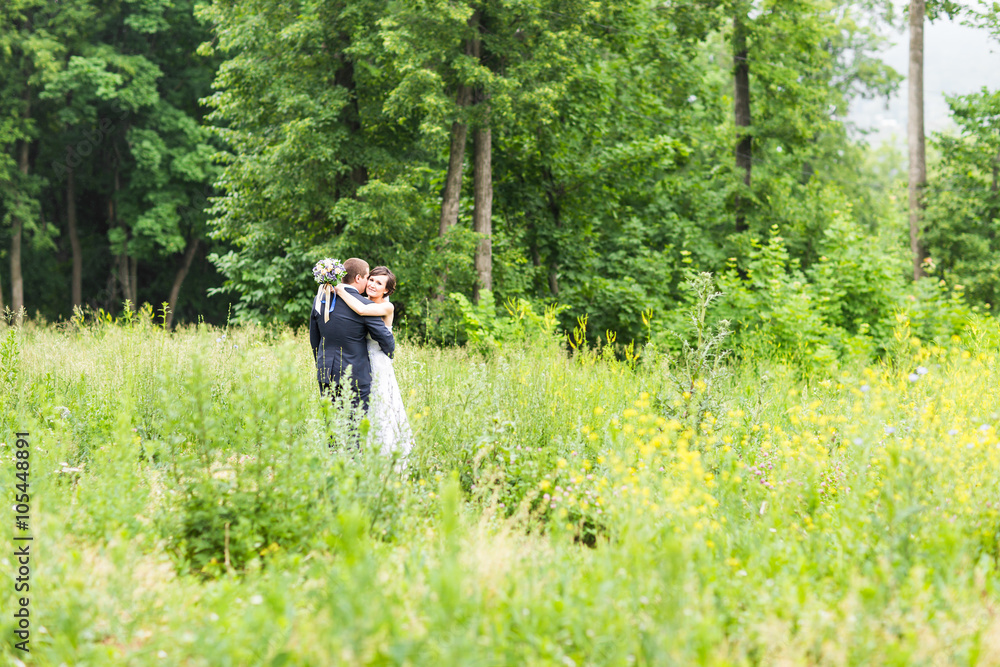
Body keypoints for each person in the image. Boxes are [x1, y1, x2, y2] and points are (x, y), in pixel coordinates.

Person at [334, 266, 414, 460]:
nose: (372, 285)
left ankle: (384, 455)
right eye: (371, 279)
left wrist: (340, 289)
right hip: (360, 359)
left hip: (378, 361)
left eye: (379, 283)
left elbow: (362, 310)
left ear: (386, 290)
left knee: (379, 405)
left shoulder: (387, 307)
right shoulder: (360, 299)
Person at [310, 258, 395, 418]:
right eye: (369, 278)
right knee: (354, 425)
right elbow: (386, 340)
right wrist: (390, 352)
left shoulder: (320, 298)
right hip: (355, 374)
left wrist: (321, 362)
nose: (370, 283)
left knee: (331, 423)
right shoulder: (365, 304)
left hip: (325, 372)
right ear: (358, 278)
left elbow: (314, 338)